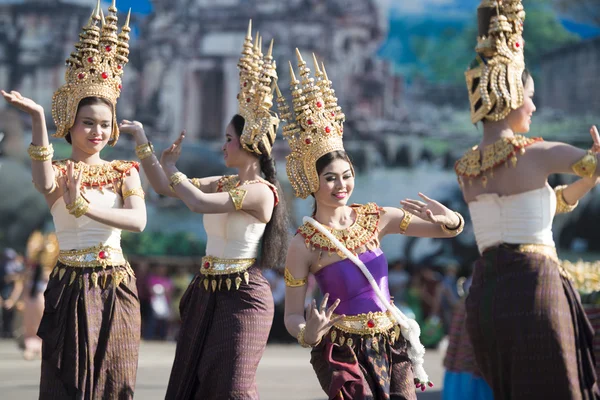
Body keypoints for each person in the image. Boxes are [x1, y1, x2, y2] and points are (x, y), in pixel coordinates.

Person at [279, 50, 466, 399]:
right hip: (343, 353)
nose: (342, 185)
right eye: (331, 178)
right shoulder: (302, 244)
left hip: (391, 343)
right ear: (311, 181)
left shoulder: (376, 218)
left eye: (347, 176)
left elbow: (444, 230)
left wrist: (451, 219)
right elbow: (292, 315)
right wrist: (309, 333)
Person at [121, 22, 289, 399]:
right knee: (196, 384)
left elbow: (195, 202)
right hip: (208, 291)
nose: (223, 145)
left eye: (229, 139)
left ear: (249, 144)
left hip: (244, 296)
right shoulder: (224, 182)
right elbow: (166, 189)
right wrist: (146, 147)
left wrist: (176, 171)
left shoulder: (262, 193)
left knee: (232, 386)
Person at [2, 1, 146, 397]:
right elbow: (41, 176)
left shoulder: (125, 171)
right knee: (69, 384)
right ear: (71, 124)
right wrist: (36, 120)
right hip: (70, 286)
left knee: (115, 381)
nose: (96, 131)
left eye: (104, 124)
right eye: (88, 123)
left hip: (116, 284)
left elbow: (138, 222)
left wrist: (85, 206)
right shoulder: (62, 174)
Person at [456, 1, 600, 398]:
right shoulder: (535, 153)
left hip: (487, 294)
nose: (534, 107)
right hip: (535, 287)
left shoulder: (466, 168)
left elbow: (536, 210)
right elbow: (591, 164)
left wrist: (587, 179)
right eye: (529, 97)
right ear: (509, 91)